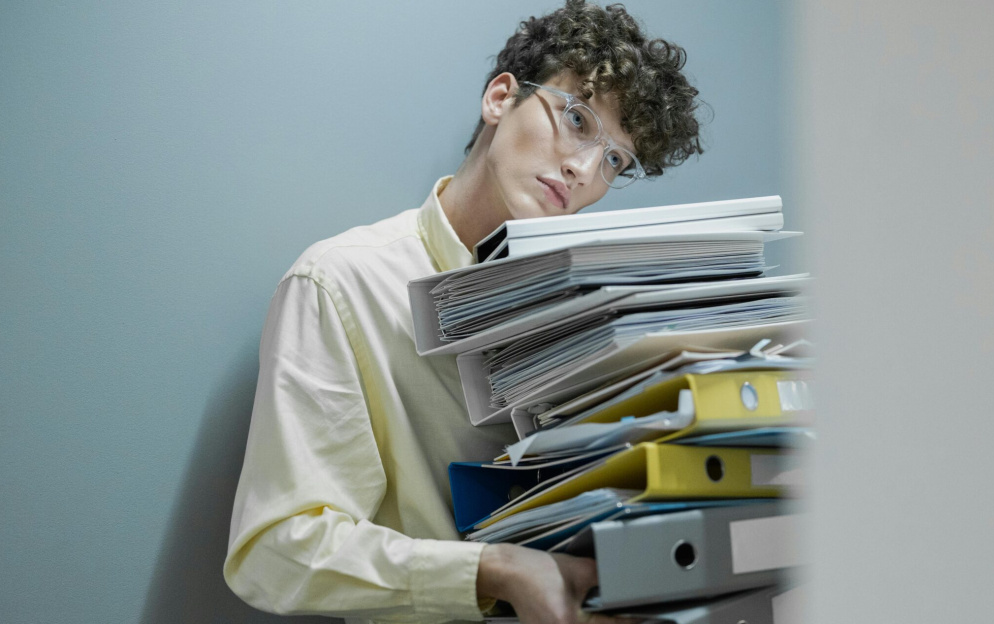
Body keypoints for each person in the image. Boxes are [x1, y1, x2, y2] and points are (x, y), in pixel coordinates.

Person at [223, 2, 704, 623]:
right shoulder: (340, 283)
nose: (584, 170)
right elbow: (276, 549)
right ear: (501, 98)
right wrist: (493, 571)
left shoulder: (594, 313)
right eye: (578, 120)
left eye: (614, 160)